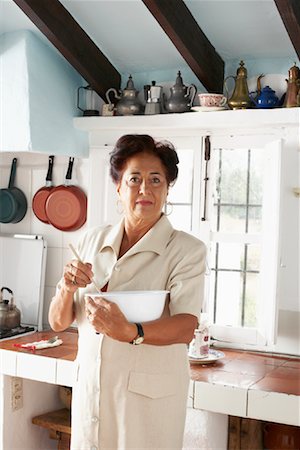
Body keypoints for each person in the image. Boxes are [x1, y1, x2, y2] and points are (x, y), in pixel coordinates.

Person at [49, 134, 206, 450]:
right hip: (92, 393)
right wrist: (67, 286)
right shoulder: (90, 241)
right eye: (135, 179)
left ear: (167, 189)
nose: (145, 189)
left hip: (148, 401)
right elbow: (57, 321)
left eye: (156, 180)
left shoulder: (187, 250)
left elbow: (186, 326)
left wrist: (130, 331)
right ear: (118, 187)